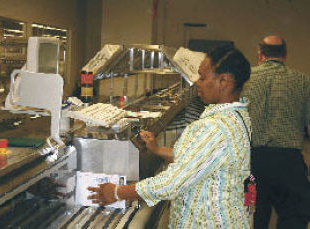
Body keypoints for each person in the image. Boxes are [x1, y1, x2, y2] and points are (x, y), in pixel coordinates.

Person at [87, 45, 252, 228]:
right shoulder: (236, 115)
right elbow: (200, 161)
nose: (197, 82)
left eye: (203, 77)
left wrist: (118, 192)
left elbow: (172, 182)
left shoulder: (216, 127)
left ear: (223, 81)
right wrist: (157, 149)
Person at [241, 35, 310, 229]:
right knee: (294, 216)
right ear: (286, 55)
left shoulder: (246, 79)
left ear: (260, 55)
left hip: (253, 165)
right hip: (289, 165)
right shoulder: (303, 81)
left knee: (252, 217)